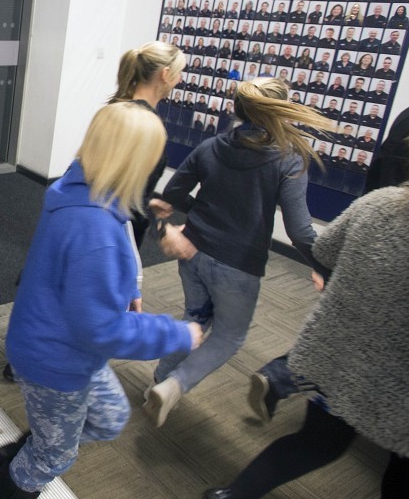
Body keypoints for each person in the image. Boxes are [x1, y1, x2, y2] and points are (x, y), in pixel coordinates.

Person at [0, 102, 202, 499]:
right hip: (56, 357)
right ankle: (29, 460)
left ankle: (33, 446)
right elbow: (104, 330)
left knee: (110, 417)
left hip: (59, 340)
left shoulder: (82, 187)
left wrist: (128, 290)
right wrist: (178, 334)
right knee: (51, 460)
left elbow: (100, 263)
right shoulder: (94, 228)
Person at [204, 126, 409, 499]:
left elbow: (324, 252)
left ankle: (232, 495)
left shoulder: (378, 203)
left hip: (340, 362)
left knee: (314, 444)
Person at [142, 78, 332, 428]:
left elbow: (172, 194)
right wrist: (326, 267)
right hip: (238, 267)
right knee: (229, 335)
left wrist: (203, 212)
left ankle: (158, 380)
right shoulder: (288, 159)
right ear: (281, 112)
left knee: (194, 320)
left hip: (193, 251)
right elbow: (299, 230)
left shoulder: (212, 146)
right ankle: (173, 386)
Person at [108, 42, 187, 247]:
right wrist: (163, 232)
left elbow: (115, 181)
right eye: (179, 73)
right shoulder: (144, 124)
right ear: (165, 74)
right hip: (115, 233)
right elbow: (126, 204)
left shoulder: (118, 108)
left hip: (104, 223)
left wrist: (147, 202)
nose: (180, 79)